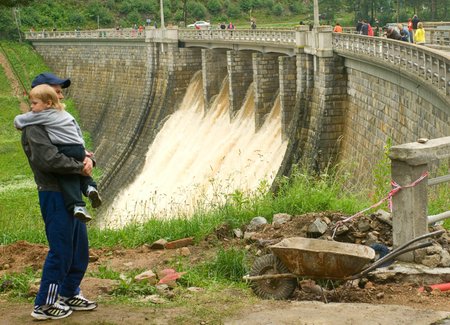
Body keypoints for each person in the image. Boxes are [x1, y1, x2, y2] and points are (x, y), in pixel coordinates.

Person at [19, 73, 97, 320]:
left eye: (61, 92)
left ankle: (68, 292)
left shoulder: (59, 122)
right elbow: (48, 160)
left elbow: (77, 148)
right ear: (43, 97)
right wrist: (80, 167)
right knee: (61, 250)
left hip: (71, 191)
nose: (61, 96)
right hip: (53, 193)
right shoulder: (35, 127)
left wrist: (88, 158)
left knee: (79, 249)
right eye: (56, 91)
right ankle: (44, 304)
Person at [14, 83, 102, 223]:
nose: (31, 107)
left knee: (68, 176)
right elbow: (78, 132)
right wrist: (84, 154)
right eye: (58, 92)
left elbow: (52, 161)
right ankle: (90, 188)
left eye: (34, 103)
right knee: (80, 175)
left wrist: (79, 167)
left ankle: (77, 206)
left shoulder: (42, 116)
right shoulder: (65, 114)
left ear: (48, 103)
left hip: (56, 184)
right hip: (78, 147)